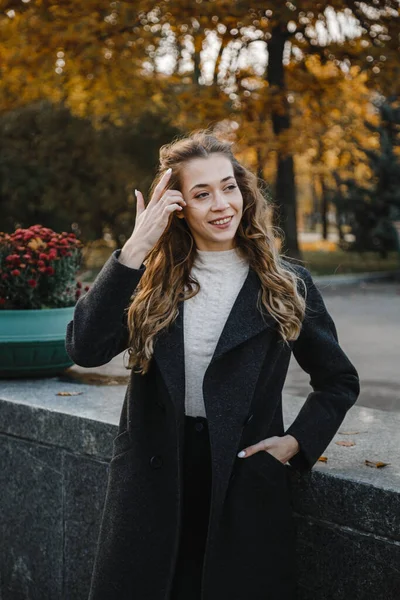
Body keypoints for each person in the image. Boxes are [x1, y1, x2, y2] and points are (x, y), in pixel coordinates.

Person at [65, 130, 360, 600]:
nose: (222, 204)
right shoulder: (152, 280)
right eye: (202, 193)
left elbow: (338, 380)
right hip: (153, 479)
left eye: (229, 186)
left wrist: (297, 442)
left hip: (243, 482)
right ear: (178, 205)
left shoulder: (285, 282)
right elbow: (85, 348)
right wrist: (135, 248)